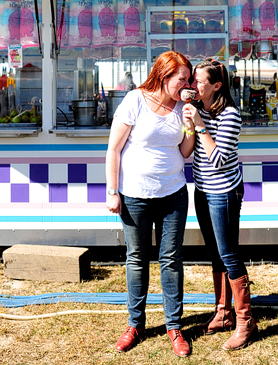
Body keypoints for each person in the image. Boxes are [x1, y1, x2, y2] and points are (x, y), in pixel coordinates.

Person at [105, 50, 195, 357]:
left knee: (170, 259)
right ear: (164, 75)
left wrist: (191, 124)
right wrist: (112, 191)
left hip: (173, 194)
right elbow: (113, 150)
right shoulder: (135, 100)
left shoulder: (183, 107)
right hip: (135, 195)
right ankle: (135, 324)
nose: (187, 83)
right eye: (182, 78)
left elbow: (185, 151)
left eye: (189, 78)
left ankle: (174, 326)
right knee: (137, 258)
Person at [182, 59, 258, 351]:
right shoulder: (199, 110)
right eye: (192, 82)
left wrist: (200, 126)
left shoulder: (230, 114)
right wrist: (190, 126)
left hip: (223, 193)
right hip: (202, 190)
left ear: (216, 86)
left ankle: (245, 321)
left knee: (229, 253)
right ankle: (223, 313)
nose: (192, 87)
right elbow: (189, 154)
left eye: (198, 82)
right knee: (215, 253)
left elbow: (218, 160)